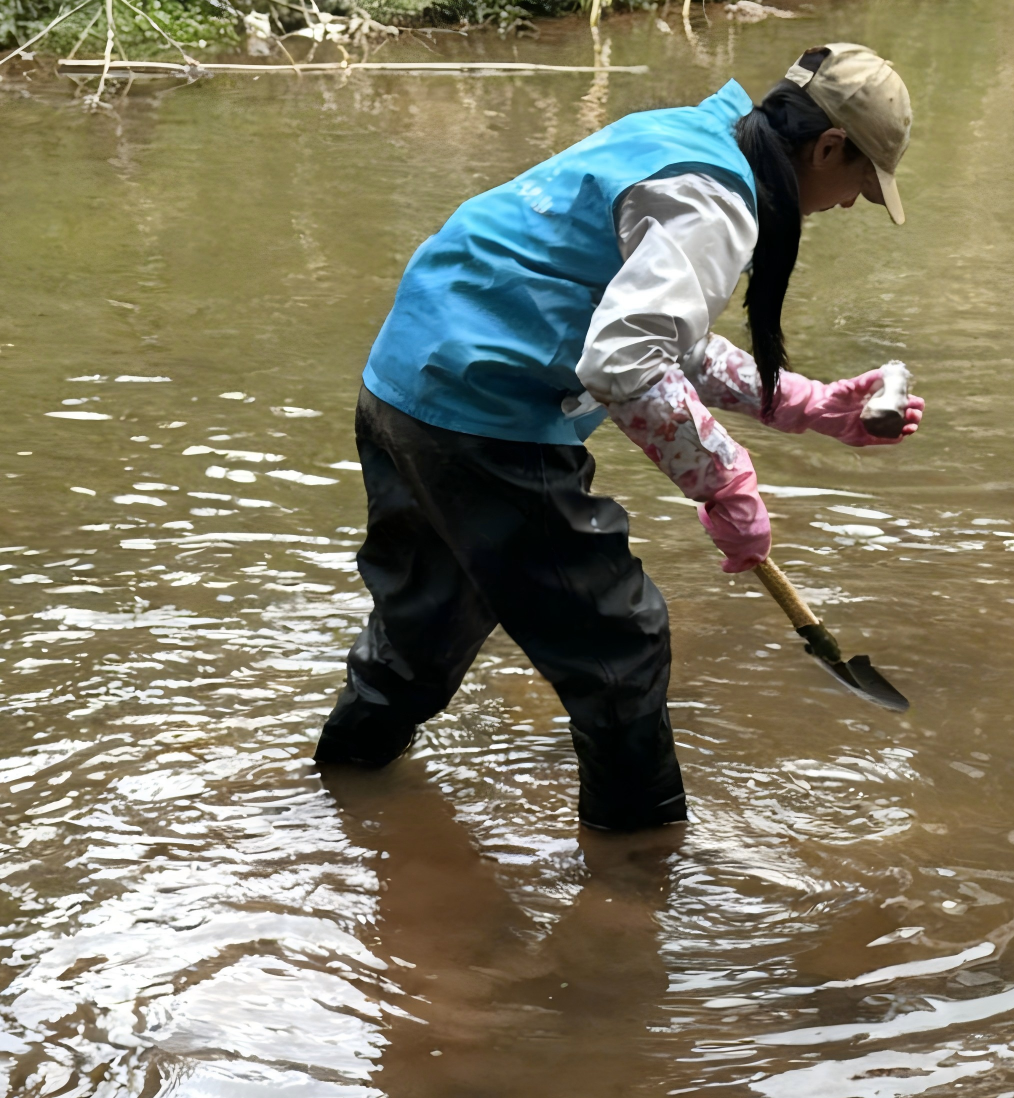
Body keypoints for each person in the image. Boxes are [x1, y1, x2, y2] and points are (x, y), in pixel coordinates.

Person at [312, 43, 926, 832]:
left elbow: (658, 332)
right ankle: (640, 875)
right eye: (859, 188)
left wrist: (803, 404)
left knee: (425, 625)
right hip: (485, 415)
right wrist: (725, 483)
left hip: (407, 384)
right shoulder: (717, 200)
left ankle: (339, 795)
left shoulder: (685, 139)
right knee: (621, 646)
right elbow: (626, 357)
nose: (848, 206)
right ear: (830, 148)